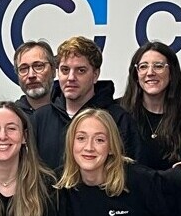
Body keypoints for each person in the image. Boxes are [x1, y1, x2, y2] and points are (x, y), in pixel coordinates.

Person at [32, 35, 141, 171]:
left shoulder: (118, 119)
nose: (71, 77)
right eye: (65, 70)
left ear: (95, 75)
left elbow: (134, 172)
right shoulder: (40, 118)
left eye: (81, 70)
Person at [119, 41, 181, 170]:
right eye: (143, 67)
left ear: (172, 72)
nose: (150, 72)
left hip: (176, 183)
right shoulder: (117, 112)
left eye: (158, 66)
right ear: (136, 74)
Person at [13, 39, 57, 114]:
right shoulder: (13, 116)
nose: (31, 75)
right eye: (23, 68)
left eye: (38, 66)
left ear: (53, 70)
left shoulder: (71, 111)